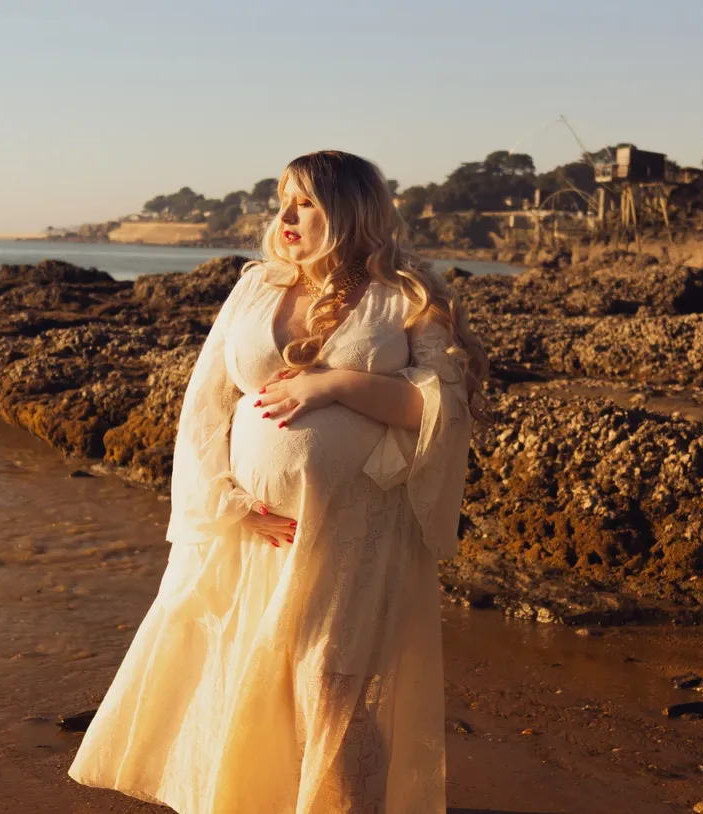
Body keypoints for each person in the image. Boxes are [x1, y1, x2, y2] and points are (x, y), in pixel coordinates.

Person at [67, 150, 490, 813]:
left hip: (358, 528)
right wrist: (231, 504)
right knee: (254, 681)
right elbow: (206, 403)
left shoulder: (406, 299)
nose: (287, 216)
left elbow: (439, 408)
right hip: (260, 533)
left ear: (348, 212)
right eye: (283, 201)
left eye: (307, 203)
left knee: (332, 685)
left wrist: (338, 382)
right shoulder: (258, 285)